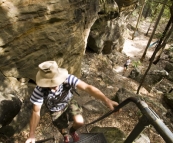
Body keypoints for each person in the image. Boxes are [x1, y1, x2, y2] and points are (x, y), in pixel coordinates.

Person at [25, 61, 119, 143]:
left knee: (79, 121)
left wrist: (106, 100)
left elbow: (87, 87)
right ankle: (65, 135)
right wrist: (32, 134)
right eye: (51, 84)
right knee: (62, 126)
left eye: (57, 81)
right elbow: (36, 111)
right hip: (55, 110)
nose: (56, 86)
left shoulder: (67, 78)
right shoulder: (40, 90)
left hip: (69, 102)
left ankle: (72, 131)